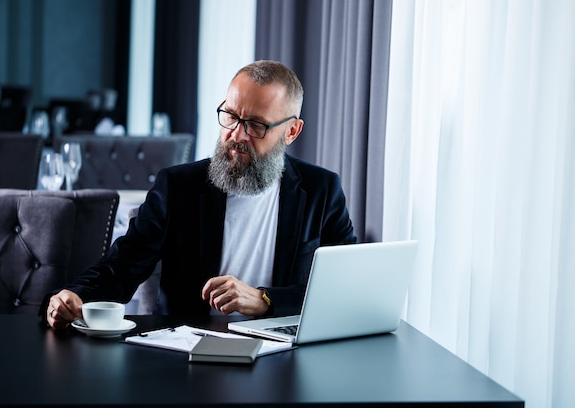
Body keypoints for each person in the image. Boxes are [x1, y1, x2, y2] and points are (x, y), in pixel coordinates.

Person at [44, 60, 356, 329]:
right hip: (190, 354)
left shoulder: (321, 190)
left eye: (256, 125)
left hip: (283, 357)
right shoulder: (179, 187)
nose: (236, 134)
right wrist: (76, 296)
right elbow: (122, 267)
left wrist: (265, 300)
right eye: (230, 115)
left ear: (291, 131)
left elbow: (343, 289)